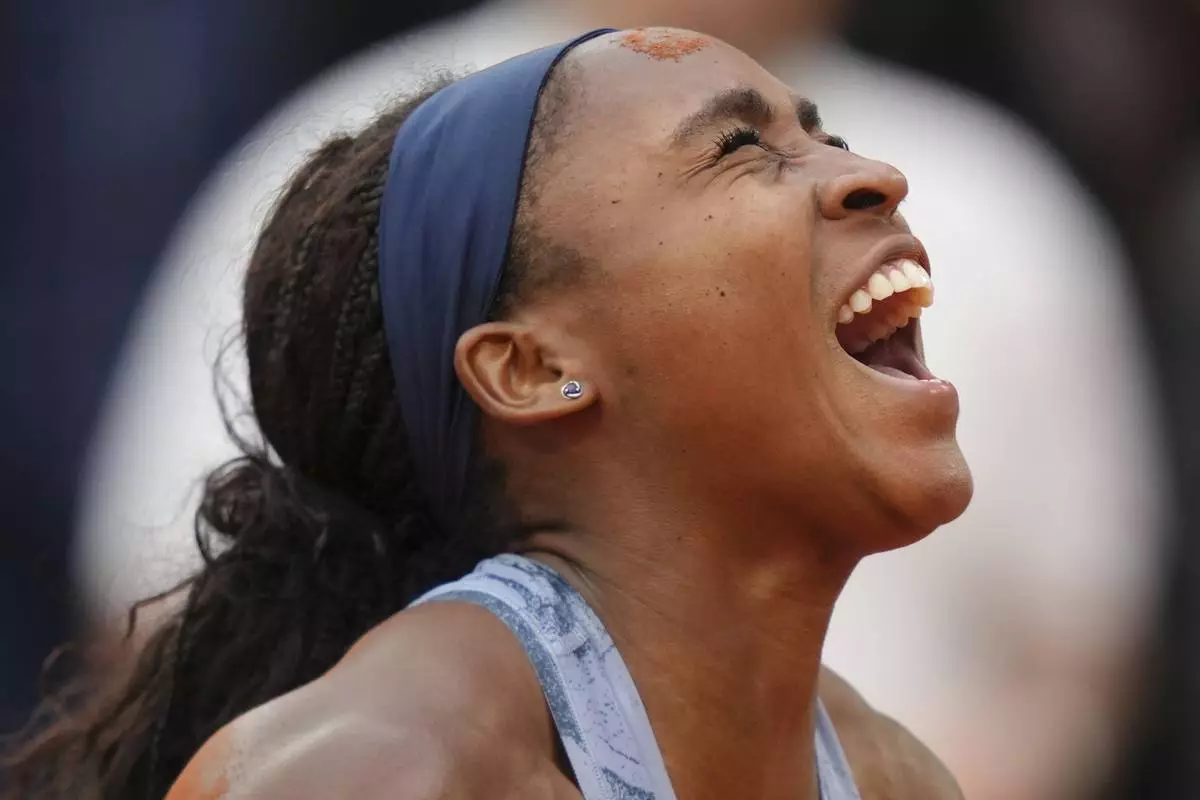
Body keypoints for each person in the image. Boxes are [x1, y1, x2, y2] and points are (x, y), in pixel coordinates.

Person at [76, 1, 1165, 797]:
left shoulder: (893, 775)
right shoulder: (383, 772)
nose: (870, 171)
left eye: (823, 134)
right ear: (531, 367)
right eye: (742, 148)